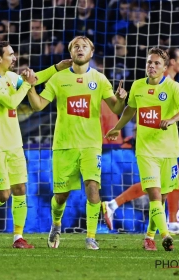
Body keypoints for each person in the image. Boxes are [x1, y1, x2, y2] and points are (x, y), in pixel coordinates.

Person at [26, 36, 127, 250]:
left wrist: (122, 98)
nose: (80, 49)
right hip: (64, 145)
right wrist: (30, 88)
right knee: (60, 196)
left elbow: (117, 109)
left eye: (84, 47)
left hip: (91, 145)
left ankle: (90, 237)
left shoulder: (99, 79)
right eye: (76, 47)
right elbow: (38, 106)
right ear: (70, 53)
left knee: (93, 187)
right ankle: (55, 224)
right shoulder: (58, 79)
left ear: (91, 53)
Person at [0, 41, 71, 249]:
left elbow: (35, 78)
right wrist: (26, 84)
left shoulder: (11, 77)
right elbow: (10, 102)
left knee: (20, 188)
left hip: (15, 142)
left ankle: (18, 237)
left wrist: (57, 67)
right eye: (11, 54)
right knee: (2, 194)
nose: (15, 58)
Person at [105, 47, 179, 251]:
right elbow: (130, 110)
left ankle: (149, 237)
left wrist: (171, 120)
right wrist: (117, 128)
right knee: (154, 195)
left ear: (164, 68)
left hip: (169, 151)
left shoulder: (172, 87)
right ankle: (166, 235)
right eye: (149, 62)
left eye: (156, 64)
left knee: (161, 198)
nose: (151, 66)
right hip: (145, 151)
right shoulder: (137, 86)